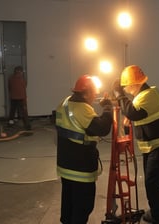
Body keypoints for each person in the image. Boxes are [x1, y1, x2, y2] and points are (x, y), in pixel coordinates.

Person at [112, 65, 159, 224]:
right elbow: (135, 115)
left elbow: (133, 112)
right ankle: (156, 211)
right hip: (152, 146)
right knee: (151, 182)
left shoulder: (150, 94)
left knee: (153, 182)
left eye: (126, 85)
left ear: (134, 84)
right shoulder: (141, 95)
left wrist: (118, 94)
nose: (125, 89)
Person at [55, 74, 113, 224]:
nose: (95, 96)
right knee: (83, 207)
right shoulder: (82, 108)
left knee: (68, 203)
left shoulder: (65, 103)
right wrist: (107, 108)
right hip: (80, 167)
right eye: (94, 92)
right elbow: (102, 128)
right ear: (86, 92)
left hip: (65, 165)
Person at [8, 65, 31, 130]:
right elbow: (25, 86)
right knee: (24, 112)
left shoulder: (10, 78)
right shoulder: (22, 79)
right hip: (22, 98)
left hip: (13, 97)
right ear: (20, 71)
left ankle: (10, 122)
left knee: (12, 110)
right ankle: (27, 125)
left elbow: (9, 87)